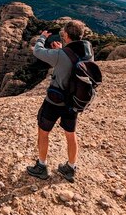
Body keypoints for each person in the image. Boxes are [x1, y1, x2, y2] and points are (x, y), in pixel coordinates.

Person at [26, 20, 93, 183]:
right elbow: (73, 60)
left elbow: (38, 51)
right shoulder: (88, 52)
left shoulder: (59, 55)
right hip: (74, 102)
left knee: (43, 132)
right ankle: (70, 167)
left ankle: (41, 166)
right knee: (71, 134)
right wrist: (62, 51)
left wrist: (42, 37)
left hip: (55, 101)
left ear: (66, 35)